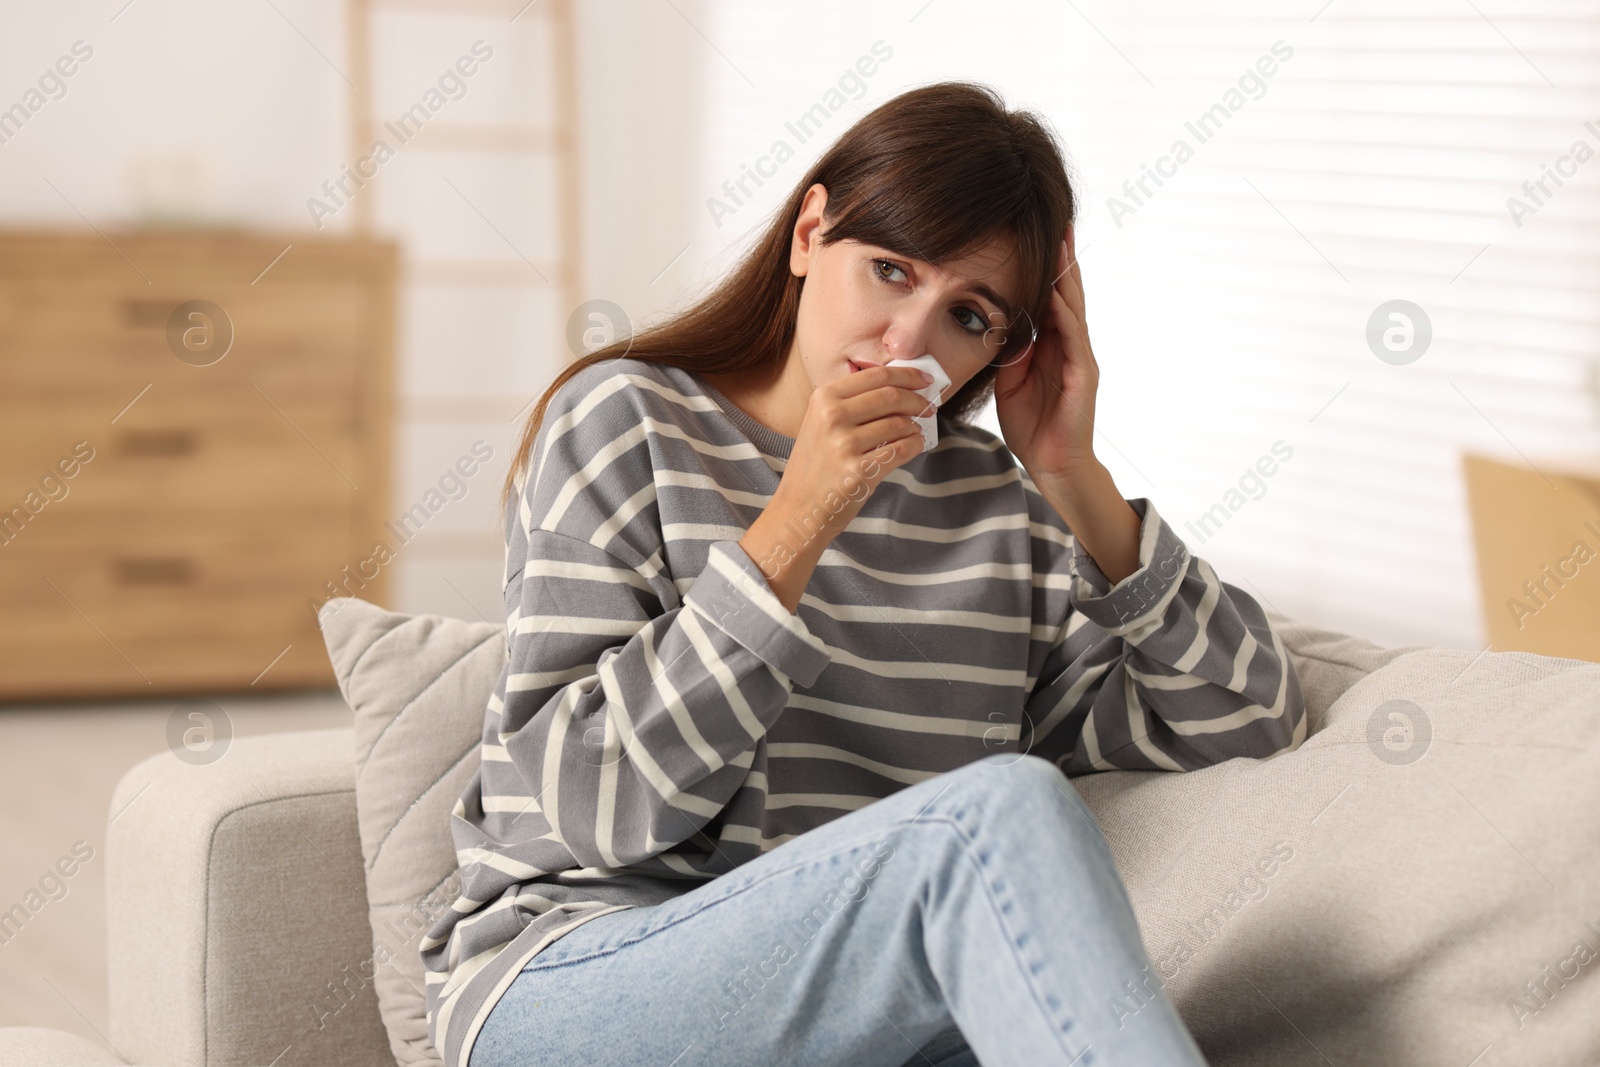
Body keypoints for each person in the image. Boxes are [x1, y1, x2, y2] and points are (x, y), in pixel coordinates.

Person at [421, 80, 1307, 1067]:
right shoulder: (625, 419)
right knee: (995, 813)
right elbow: (597, 810)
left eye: (967, 316)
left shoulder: (996, 513)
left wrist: (1072, 473)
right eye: (889, 269)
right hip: (574, 975)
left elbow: (1251, 715)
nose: (906, 342)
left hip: (848, 1008)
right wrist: (798, 521)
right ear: (809, 232)